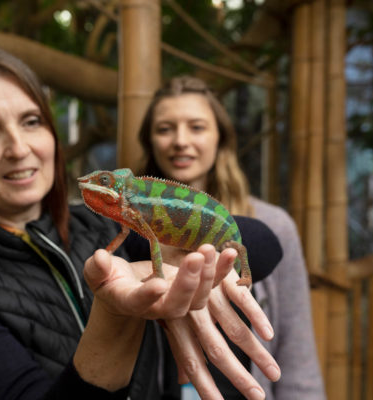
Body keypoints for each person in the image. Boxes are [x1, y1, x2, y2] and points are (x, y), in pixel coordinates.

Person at [0, 48, 284, 400]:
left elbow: (263, 240)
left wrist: (193, 264)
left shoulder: (94, 229)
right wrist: (115, 315)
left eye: (31, 121)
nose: (19, 148)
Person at [137, 75, 326, 399]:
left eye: (197, 127)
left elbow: (296, 350)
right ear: (151, 141)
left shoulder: (272, 225)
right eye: (165, 128)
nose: (181, 141)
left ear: (220, 139)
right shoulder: (135, 226)